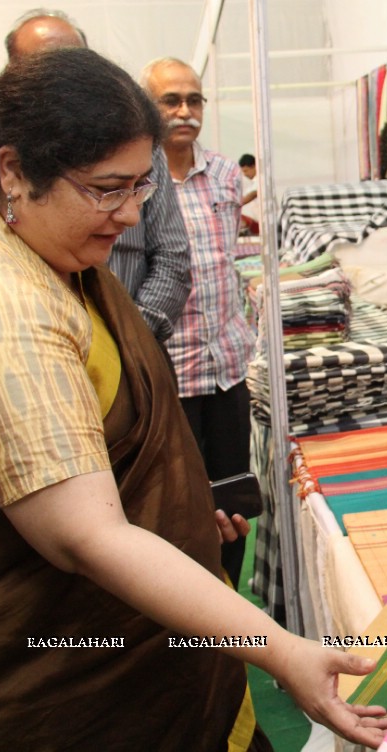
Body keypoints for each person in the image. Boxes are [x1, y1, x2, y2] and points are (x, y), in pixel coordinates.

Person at [0, 47, 387, 750]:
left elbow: (101, 446)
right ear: (13, 172)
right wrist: (281, 649)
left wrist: (173, 499)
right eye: (108, 190)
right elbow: (90, 535)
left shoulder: (52, 258)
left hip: (132, 647)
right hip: (46, 679)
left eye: (142, 188)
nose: (131, 216)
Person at [141, 57, 258, 588]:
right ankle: (192, 608)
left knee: (233, 496)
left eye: (194, 100)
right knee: (185, 504)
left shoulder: (227, 174)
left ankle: (231, 597)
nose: (185, 111)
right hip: (174, 374)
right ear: (149, 106)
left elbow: (229, 259)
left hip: (227, 367)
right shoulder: (138, 179)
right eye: (171, 100)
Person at [7, 8, 191, 341]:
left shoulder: (139, 144)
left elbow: (172, 257)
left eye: (135, 189)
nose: (128, 214)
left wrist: (126, 341)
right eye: (108, 189)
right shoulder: (5, 165)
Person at [238, 153, 259, 235]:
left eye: (246, 171)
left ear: (254, 166)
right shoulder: (253, 184)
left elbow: (252, 195)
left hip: (260, 223)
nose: (245, 174)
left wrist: (233, 205)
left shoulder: (261, 181)